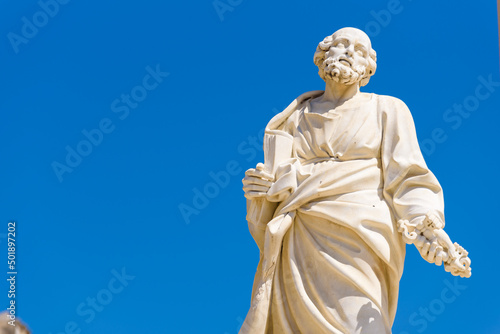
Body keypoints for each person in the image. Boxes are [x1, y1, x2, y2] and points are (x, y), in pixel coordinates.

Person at [240, 27, 470, 334]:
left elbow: (408, 175)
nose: (349, 52)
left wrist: (427, 228)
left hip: (362, 233)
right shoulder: (293, 118)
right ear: (323, 57)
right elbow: (277, 181)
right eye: (342, 45)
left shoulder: (387, 109)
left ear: (368, 69)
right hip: (300, 236)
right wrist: (260, 191)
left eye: (360, 49)